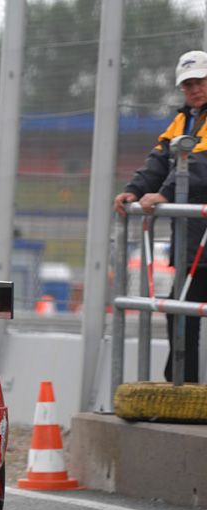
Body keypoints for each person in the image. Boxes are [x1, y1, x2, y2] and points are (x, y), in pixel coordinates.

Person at [114, 49, 207, 383]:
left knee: (183, 310)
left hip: (198, 242)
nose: (194, 90)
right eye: (187, 85)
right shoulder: (183, 120)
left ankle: (183, 387)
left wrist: (164, 193)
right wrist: (134, 190)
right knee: (180, 313)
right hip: (195, 244)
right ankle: (183, 390)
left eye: (200, 82)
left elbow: (199, 165)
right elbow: (159, 158)